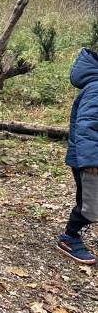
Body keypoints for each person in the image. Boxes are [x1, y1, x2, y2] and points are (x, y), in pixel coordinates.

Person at [57, 48, 98, 264]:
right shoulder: (96, 88)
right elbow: (87, 126)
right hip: (90, 161)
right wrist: (91, 161)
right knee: (91, 205)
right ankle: (69, 237)